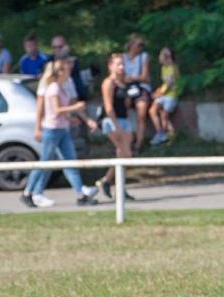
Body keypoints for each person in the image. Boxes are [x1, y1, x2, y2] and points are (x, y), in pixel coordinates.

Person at [20, 59, 100, 208]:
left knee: (70, 162)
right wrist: (75, 108)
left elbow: (60, 110)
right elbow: (56, 110)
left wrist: (70, 119)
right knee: (45, 163)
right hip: (52, 130)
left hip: (62, 129)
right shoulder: (53, 88)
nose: (70, 71)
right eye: (67, 69)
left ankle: (81, 195)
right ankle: (28, 192)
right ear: (60, 72)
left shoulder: (62, 87)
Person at [95, 53, 136, 201]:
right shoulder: (108, 83)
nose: (121, 67)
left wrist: (129, 91)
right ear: (110, 66)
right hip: (112, 120)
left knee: (123, 156)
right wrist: (116, 126)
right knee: (126, 154)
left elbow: (127, 105)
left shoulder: (123, 82)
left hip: (124, 118)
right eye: (118, 64)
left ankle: (108, 182)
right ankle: (113, 184)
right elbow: (108, 106)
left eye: (122, 64)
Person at [122, 33, 153, 152]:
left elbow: (145, 77)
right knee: (122, 110)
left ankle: (138, 145)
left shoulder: (143, 57)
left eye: (142, 45)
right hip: (128, 88)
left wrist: (131, 78)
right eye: (138, 44)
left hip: (141, 87)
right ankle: (127, 139)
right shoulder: (123, 57)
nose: (140, 47)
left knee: (141, 113)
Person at [149, 47, 179, 146]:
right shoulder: (163, 68)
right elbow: (164, 84)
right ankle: (160, 133)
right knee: (152, 110)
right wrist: (158, 92)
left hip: (171, 95)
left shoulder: (173, 68)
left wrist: (158, 94)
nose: (159, 57)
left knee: (164, 115)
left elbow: (169, 84)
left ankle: (168, 136)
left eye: (161, 55)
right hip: (164, 94)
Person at [50, 35, 87, 100]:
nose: (57, 49)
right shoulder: (49, 60)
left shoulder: (73, 60)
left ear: (66, 47)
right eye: (54, 47)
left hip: (76, 95)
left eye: (60, 47)